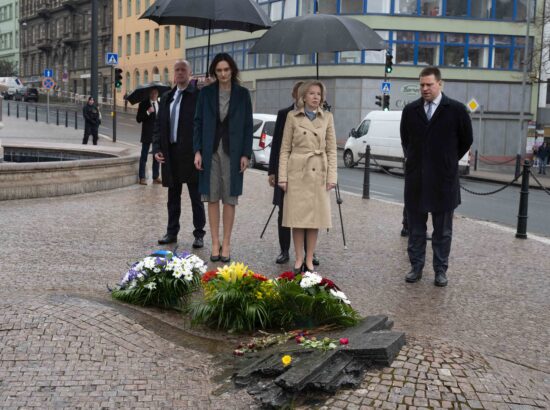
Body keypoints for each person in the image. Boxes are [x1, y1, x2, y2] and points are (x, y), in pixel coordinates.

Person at [400, 66, 473, 287]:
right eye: (422, 84)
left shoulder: (457, 110)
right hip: (417, 180)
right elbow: (406, 141)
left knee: (443, 231)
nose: (425, 88)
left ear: (440, 84)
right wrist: (417, 161)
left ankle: (440, 270)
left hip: (444, 181)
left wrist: (446, 160)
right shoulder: (411, 110)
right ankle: (416, 267)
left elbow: (466, 140)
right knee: (416, 229)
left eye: (429, 84)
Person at [193, 53, 253, 262]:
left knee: (229, 198)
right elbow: (198, 123)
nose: (223, 74)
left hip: (233, 152)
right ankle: (215, 242)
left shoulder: (243, 94)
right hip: (210, 151)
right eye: (219, 70)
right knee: (211, 196)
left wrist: (246, 153)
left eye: (226, 70)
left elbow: (247, 125)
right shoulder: (206, 93)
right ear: (214, 72)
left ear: (232, 70)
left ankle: (226, 243)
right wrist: (197, 151)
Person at [278, 80, 337, 274]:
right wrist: (282, 177)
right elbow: (285, 149)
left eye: (318, 94)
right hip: (297, 173)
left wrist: (331, 177)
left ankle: (310, 259)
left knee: (314, 220)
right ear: (303, 96)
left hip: (318, 173)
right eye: (311, 93)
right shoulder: (292, 117)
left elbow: (331, 149)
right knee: (298, 219)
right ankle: (298, 258)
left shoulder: (327, 117)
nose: (315, 97)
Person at [153, 60, 206, 248]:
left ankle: (199, 233)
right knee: (172, 197)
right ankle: (171, 232)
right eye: (177, 70)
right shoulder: (167, 97)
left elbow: (203, 126)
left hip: (191, 154)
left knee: (196, 197)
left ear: (190, 73)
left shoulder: (199, 96)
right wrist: (157, 148)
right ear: (174, 74)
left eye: (183, 70)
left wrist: (200, 150)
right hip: (171, 153)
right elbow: (159, 126)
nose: (180, 73)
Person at [268, 82, 320, 266]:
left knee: (309, 212)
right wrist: (273, 171)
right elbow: (277, 145)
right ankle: (284, 250)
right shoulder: (285, 114)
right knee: (284, 211)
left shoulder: (318, 115)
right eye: (300, 93)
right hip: (287, 169)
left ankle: (309, 254)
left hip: (309, 171)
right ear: (294, 95)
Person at [136, 88, 161, 185]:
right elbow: (138, 119)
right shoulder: (143, 104)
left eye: (156, 92)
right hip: (147, 134)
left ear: (158, 93)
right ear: (149, 93)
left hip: (157, 134)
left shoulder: (160, 104)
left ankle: (155, 177)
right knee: (144, 156)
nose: (154, 94)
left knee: (157, 156)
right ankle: (142, 177)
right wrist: (148, 112)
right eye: (153, 92)